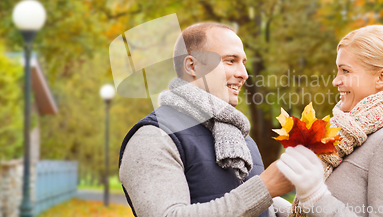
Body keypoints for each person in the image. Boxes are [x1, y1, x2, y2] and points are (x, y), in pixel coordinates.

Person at [118, 22, 294, 217]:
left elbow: (244, 198)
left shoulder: (240, 138)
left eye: (243, 62)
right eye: (230, 60)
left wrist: (304, 204)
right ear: (192, 66)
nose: (243, 74)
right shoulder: (153, 137)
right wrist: (264, 189)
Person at [275, 25, 383, 217]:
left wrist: (315, 196)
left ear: (381, 77)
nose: (336, 81)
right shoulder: (346, 138)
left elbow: (323, 205)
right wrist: (270, 202)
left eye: (345, 71)